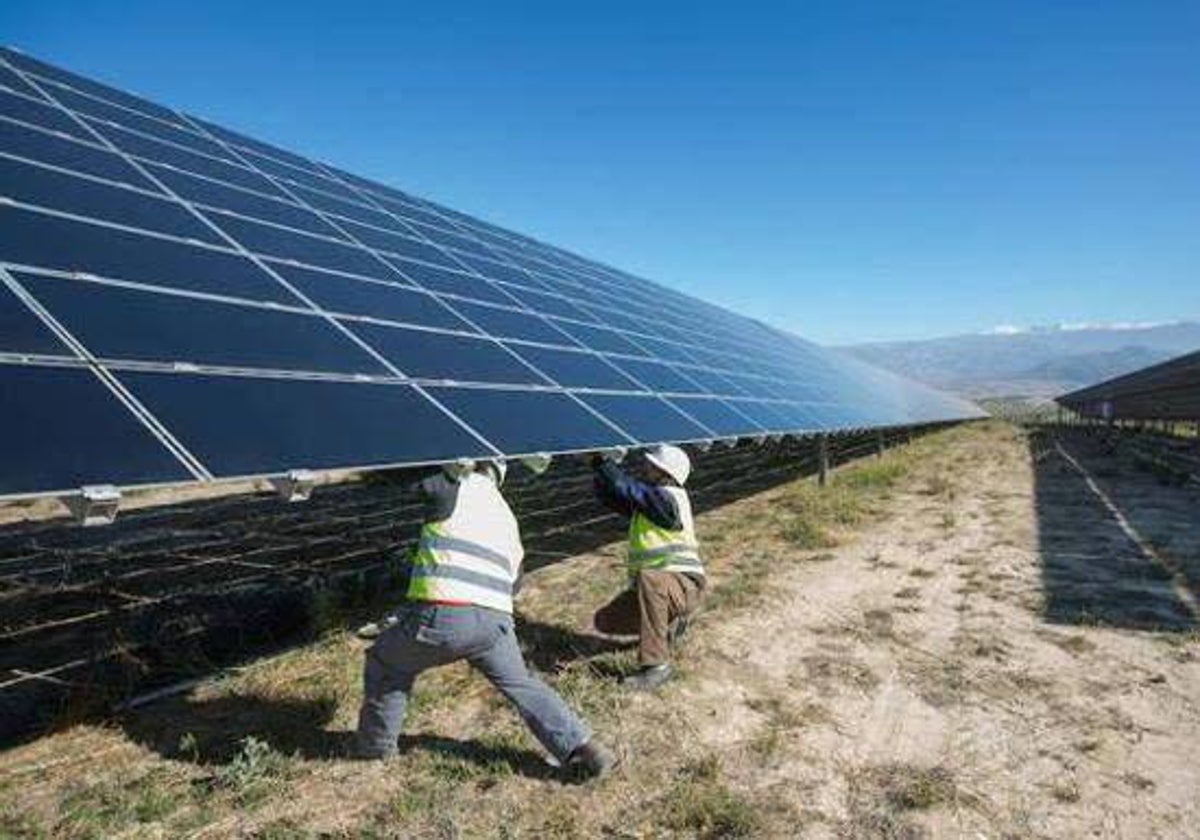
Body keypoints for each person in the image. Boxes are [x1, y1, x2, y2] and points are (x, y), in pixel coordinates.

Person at [355, 459, 614, 780]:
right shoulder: (508, 518)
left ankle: (375, 749)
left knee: (387, 662)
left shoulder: (456, 486)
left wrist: (361, 467)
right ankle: (582, 747)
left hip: (445, 614)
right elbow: (515, 582)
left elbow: (409, 474)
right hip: (496, 622)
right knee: (521, 683)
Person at [591, 445, 706, 690]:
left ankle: (656, 666)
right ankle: (668, 626)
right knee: (606, 621)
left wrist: (604, 463)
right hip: (662, 588)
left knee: (650, 578)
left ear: (667, 473)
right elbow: (616, 495)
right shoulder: (650, 505)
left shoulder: (668, 499)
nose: (646, 468)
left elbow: (628, 489)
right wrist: (598, 469)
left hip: (683, 585)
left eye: (653, 466)